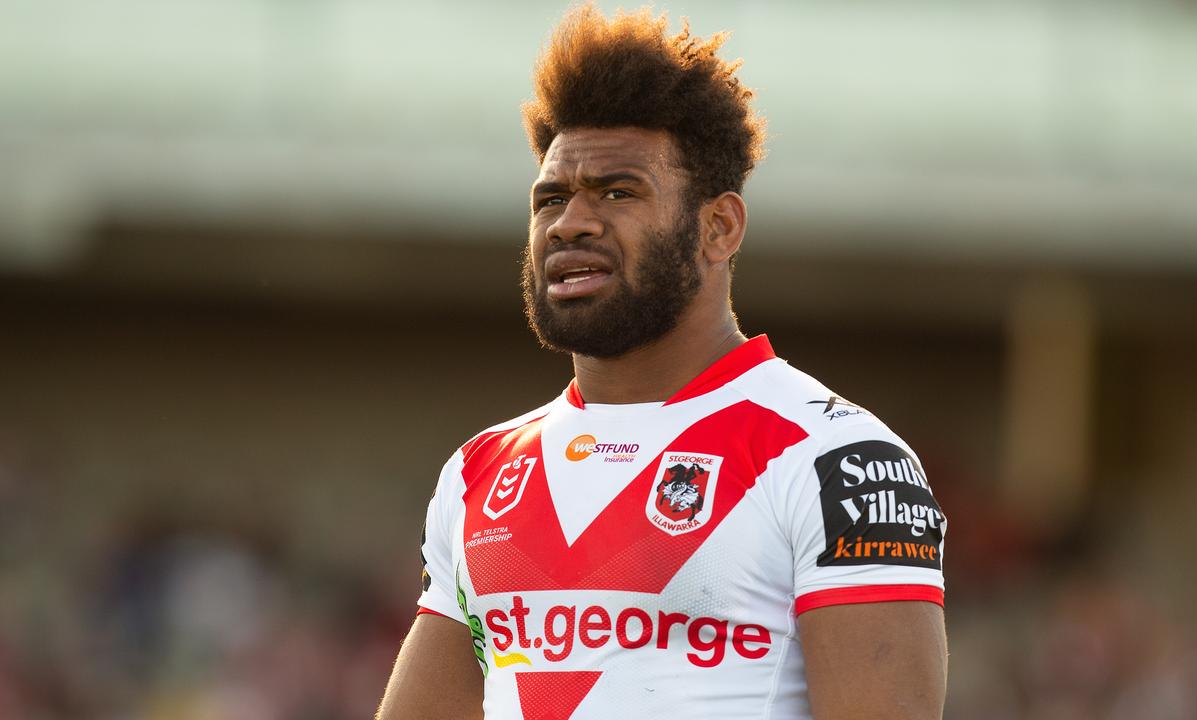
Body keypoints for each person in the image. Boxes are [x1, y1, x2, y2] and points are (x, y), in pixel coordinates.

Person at [378, 6, 947, 719]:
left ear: (719, 227)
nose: (571, 223)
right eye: (550, 198)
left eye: (618, 192)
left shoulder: (838, 460)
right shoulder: (478, 472)